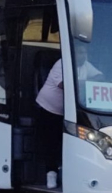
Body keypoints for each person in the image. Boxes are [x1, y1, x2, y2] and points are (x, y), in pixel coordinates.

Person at [35, 44, 102, 179]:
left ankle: (65, 173)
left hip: (68, 111)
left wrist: (82, 82)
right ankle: (51, 173)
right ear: (73, 53)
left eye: (84, 53)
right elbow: (65, 85)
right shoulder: (61, 64)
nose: (83, 56)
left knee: (66, 142)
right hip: (48, 108)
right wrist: (85, 83)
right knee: (51, 142)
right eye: (80, 53)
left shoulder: (85, 65)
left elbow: (100, 76)